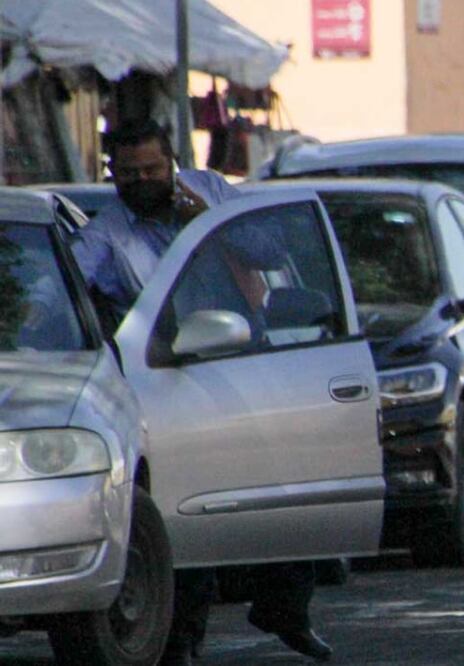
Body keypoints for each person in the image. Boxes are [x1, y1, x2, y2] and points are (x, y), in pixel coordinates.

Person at [71, 119, 332, 666]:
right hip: (174, 375)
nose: (143, 181)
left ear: (173, 162)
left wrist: (206, 221)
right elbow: (73, 275)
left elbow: (269, 250)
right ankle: (184, 639)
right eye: (129, 174)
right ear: (111, 174)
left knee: (278, 492)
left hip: (246, 364)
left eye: (153, 169)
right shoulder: (110, 230)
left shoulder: (210, 189)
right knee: (190, 508)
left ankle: (286, 608)